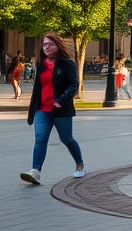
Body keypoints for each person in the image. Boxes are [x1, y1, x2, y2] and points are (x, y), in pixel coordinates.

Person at [20, 33, 84, 185]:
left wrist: (61, 100)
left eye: (50, 44)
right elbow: (37, 88)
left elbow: (73, 86)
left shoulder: (67, 64)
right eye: (45, 45)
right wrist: (32, 110)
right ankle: (36, 171)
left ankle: (80, 164)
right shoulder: (41, 64)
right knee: (40, 140)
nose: (47, 47)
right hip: (42, 109)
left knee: (66, 138)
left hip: (61, 109)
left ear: (58, 45)